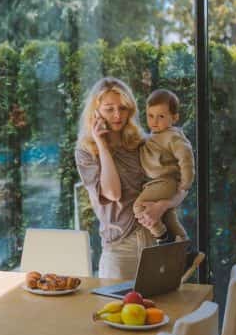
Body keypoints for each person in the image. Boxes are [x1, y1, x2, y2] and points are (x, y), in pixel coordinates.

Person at [74, 77, 188, 279]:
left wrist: (163, 205)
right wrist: (102, 145)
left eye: (123, 108)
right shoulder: (86, 151)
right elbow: (113, 193)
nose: (118, 115)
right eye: (109, 109)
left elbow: (178, 186)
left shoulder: (142, 142)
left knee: (163, 309)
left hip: (157, 241)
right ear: (96, 111)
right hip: (120, 248)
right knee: (115, 310)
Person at [133, 88, 194, 245]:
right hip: (159, 183)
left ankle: (163, 237)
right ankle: (185, 248)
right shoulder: (156, 135)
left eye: (161, 116)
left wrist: (185, 183)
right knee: (169, 218)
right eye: (150, 116)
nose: (154, 121)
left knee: (139, 207)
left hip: (165, 182)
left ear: (174, 118)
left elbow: (186, 158)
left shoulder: (173, 136)